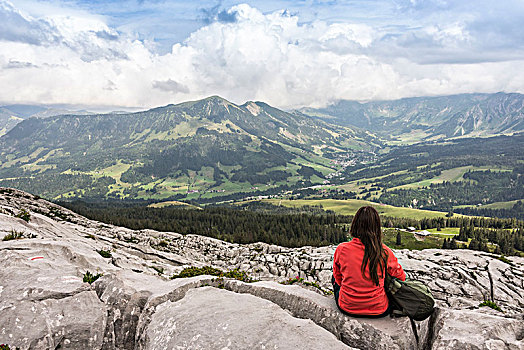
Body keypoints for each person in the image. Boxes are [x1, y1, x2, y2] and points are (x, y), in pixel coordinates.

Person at [332, 206, 406, 317]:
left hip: (347, 307)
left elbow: (338, 278)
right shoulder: (384, 251)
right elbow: (401, 277)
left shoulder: (342, 249)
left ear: (355, 224)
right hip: (379, 309)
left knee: (334, 278)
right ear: (376, 227)